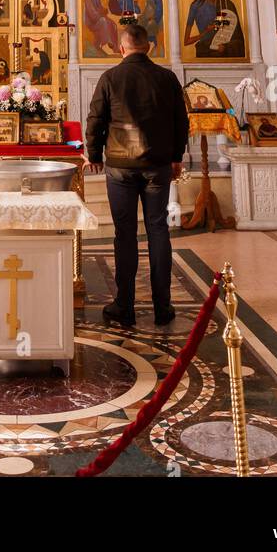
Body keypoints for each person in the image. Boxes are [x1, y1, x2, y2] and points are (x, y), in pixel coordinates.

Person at [86, 23, 188, 328]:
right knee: (158, 230)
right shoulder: (167, 78)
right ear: (149, 47)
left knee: (125, 234)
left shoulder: (110, 77)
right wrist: (177, 157)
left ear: (121, 48)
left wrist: (93, 156)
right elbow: (180, 121)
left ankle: (125, 306)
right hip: (158, 165)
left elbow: (95, 119)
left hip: (120, 167)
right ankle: (162, 307)